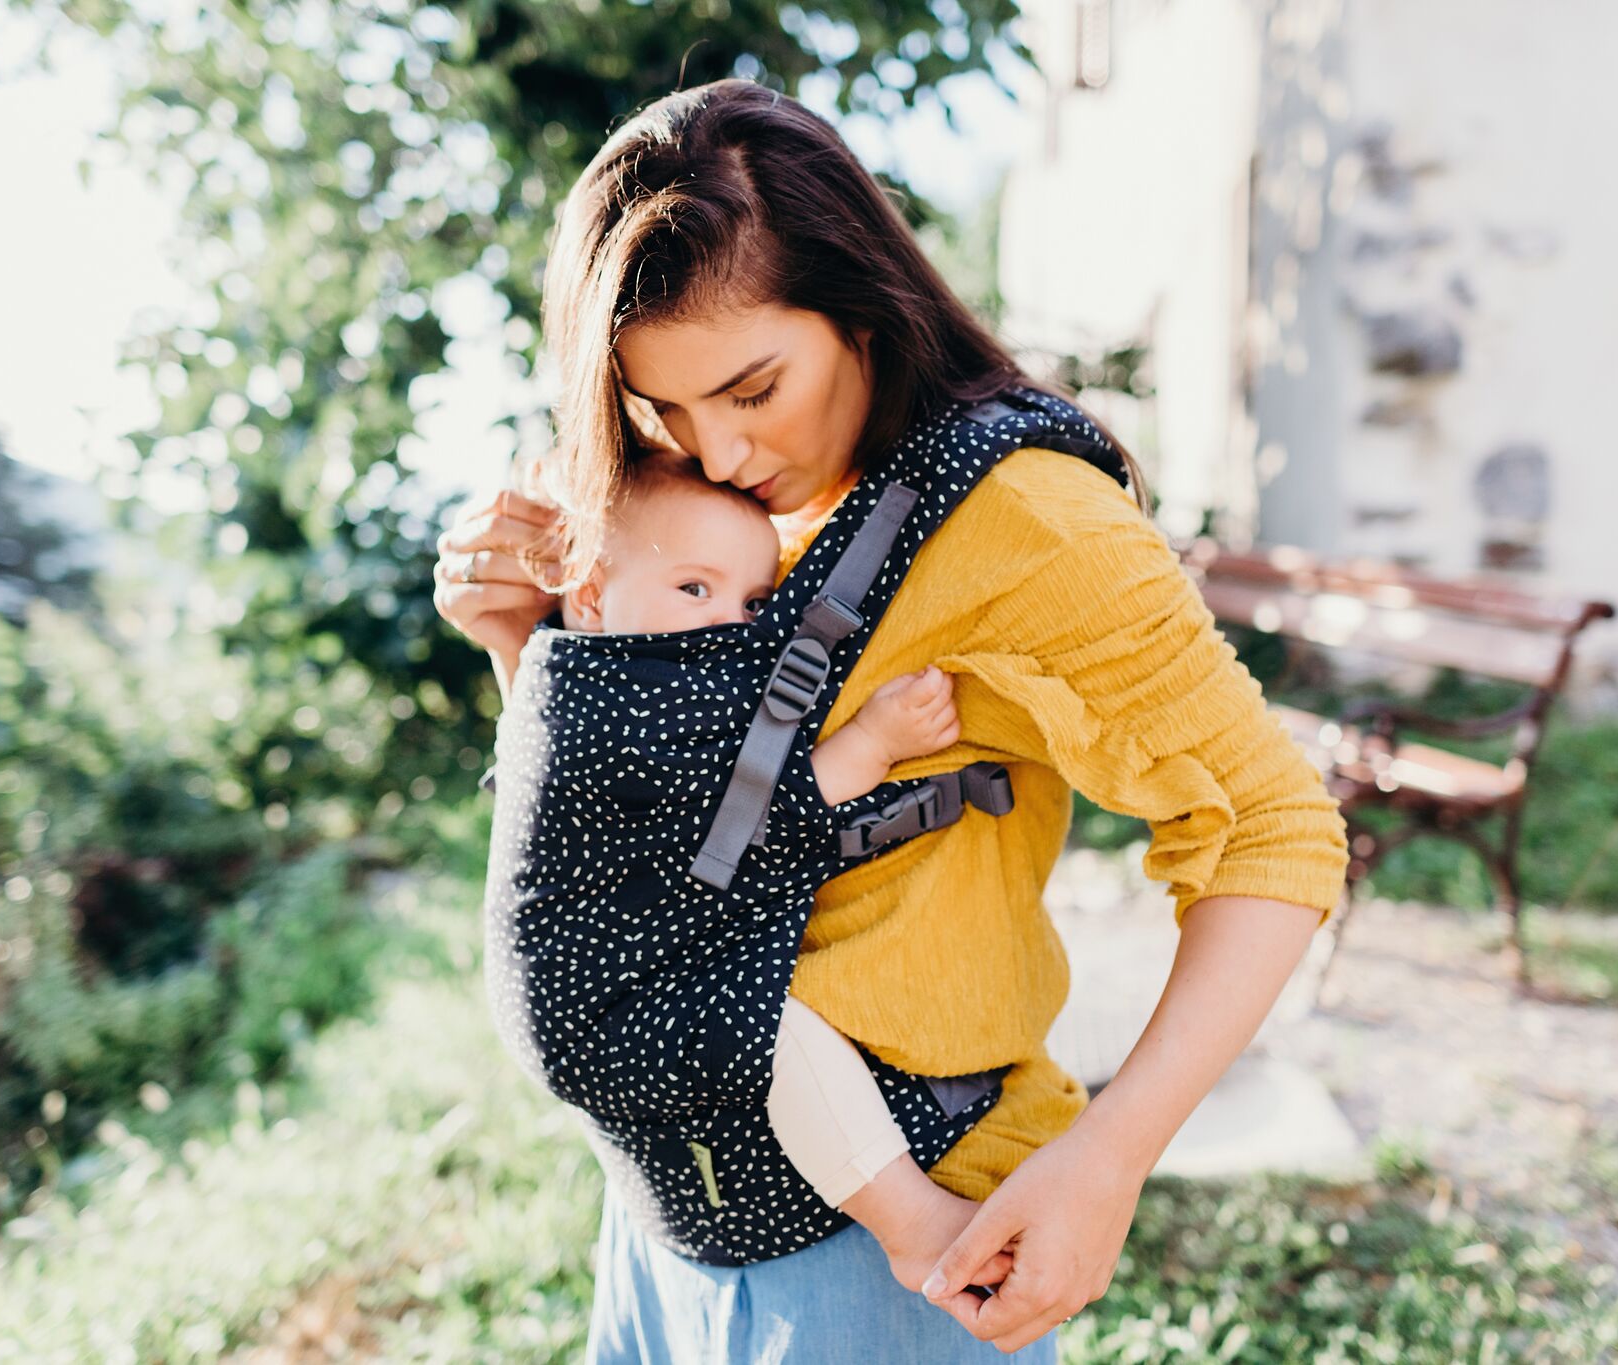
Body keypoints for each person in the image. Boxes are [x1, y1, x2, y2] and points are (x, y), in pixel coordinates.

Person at [435, 78, 1348, 1361]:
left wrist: (1110, 1158)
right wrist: (521, 653)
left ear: (860, 306)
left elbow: (1271, 830)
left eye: (751, 388)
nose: (718, 453)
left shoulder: (1028, 518)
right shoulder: (722, 511)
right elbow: (661, 837)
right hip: (669, 1214)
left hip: (885, 1250)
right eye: (665, 409)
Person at [555, 449, 1022, 1292]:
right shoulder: (617, 711)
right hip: (605, 1000)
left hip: (619, 990)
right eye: (694, 589)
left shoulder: (628, 674)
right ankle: (911, 1224)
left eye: (755, 601)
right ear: (590, 597)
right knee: (775, 1029)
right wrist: (872, 744)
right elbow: (738, 825)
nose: (733, 625)